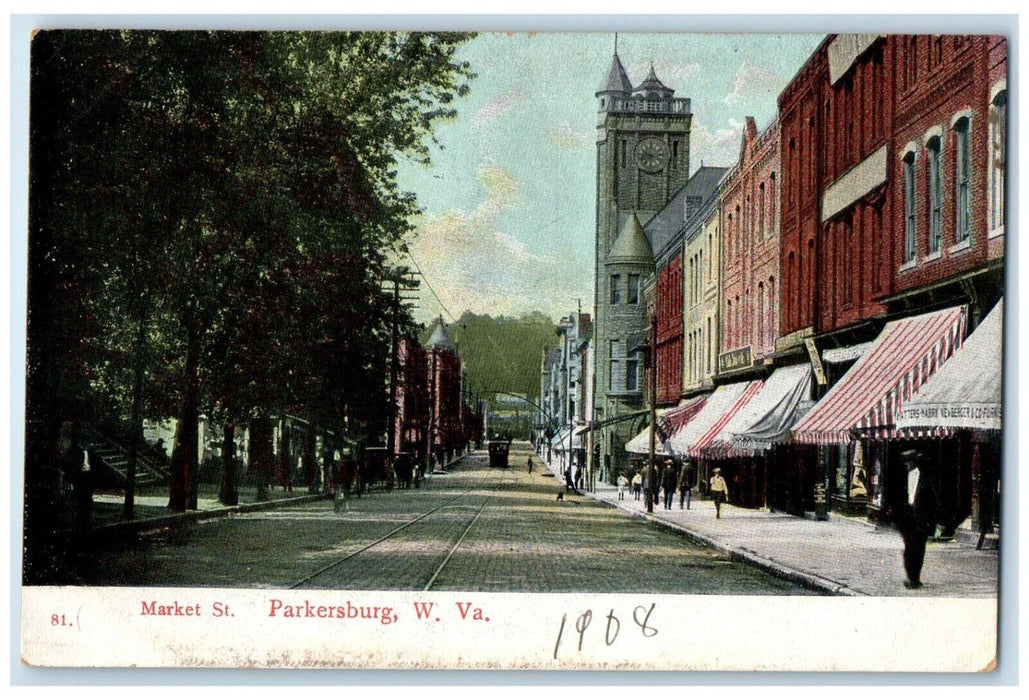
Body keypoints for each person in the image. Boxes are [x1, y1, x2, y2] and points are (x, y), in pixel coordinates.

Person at [895, 449, 940, 589]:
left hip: (921, 519)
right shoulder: (902, 477)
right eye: (906, 462)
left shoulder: (925, 478)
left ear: (914, 462)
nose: (907, 465)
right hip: (907, 518)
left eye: (909, 462)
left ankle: (915, 578)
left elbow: (933, 501)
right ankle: (911, 577)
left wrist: (932, 521)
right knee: (909, 548)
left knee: (919, 549)